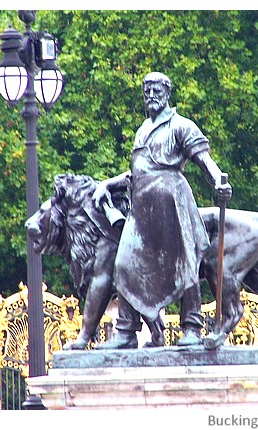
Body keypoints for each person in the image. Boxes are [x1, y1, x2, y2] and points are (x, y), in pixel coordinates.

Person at [93, 72, 232, 349]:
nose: (152, 97)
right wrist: (107, 184)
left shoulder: (181, 126)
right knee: (124, 264)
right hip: (143, 209)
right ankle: (126, 331)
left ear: (167, 94)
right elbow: (138, 170)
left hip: (172, 201)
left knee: (185, 265)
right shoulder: (143, 128)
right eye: (147, 92)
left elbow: (204, 161)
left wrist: (218, 180)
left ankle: (191, 327)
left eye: (156, 91)